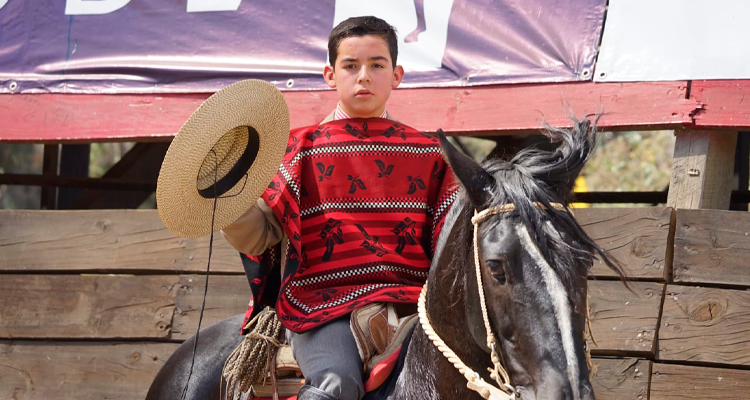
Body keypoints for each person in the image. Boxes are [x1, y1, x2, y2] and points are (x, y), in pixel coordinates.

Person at [221, 16, 458, 400]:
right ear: (331, 75)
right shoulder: (300, 150)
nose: (363, 76)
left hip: (414, 306)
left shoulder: (431, 154)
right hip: (323, 304)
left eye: (377, 65)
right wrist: (228, 199)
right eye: (351, 66)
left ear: (396, 75)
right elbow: (261, 235)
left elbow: (450, 240)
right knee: (336, 384)